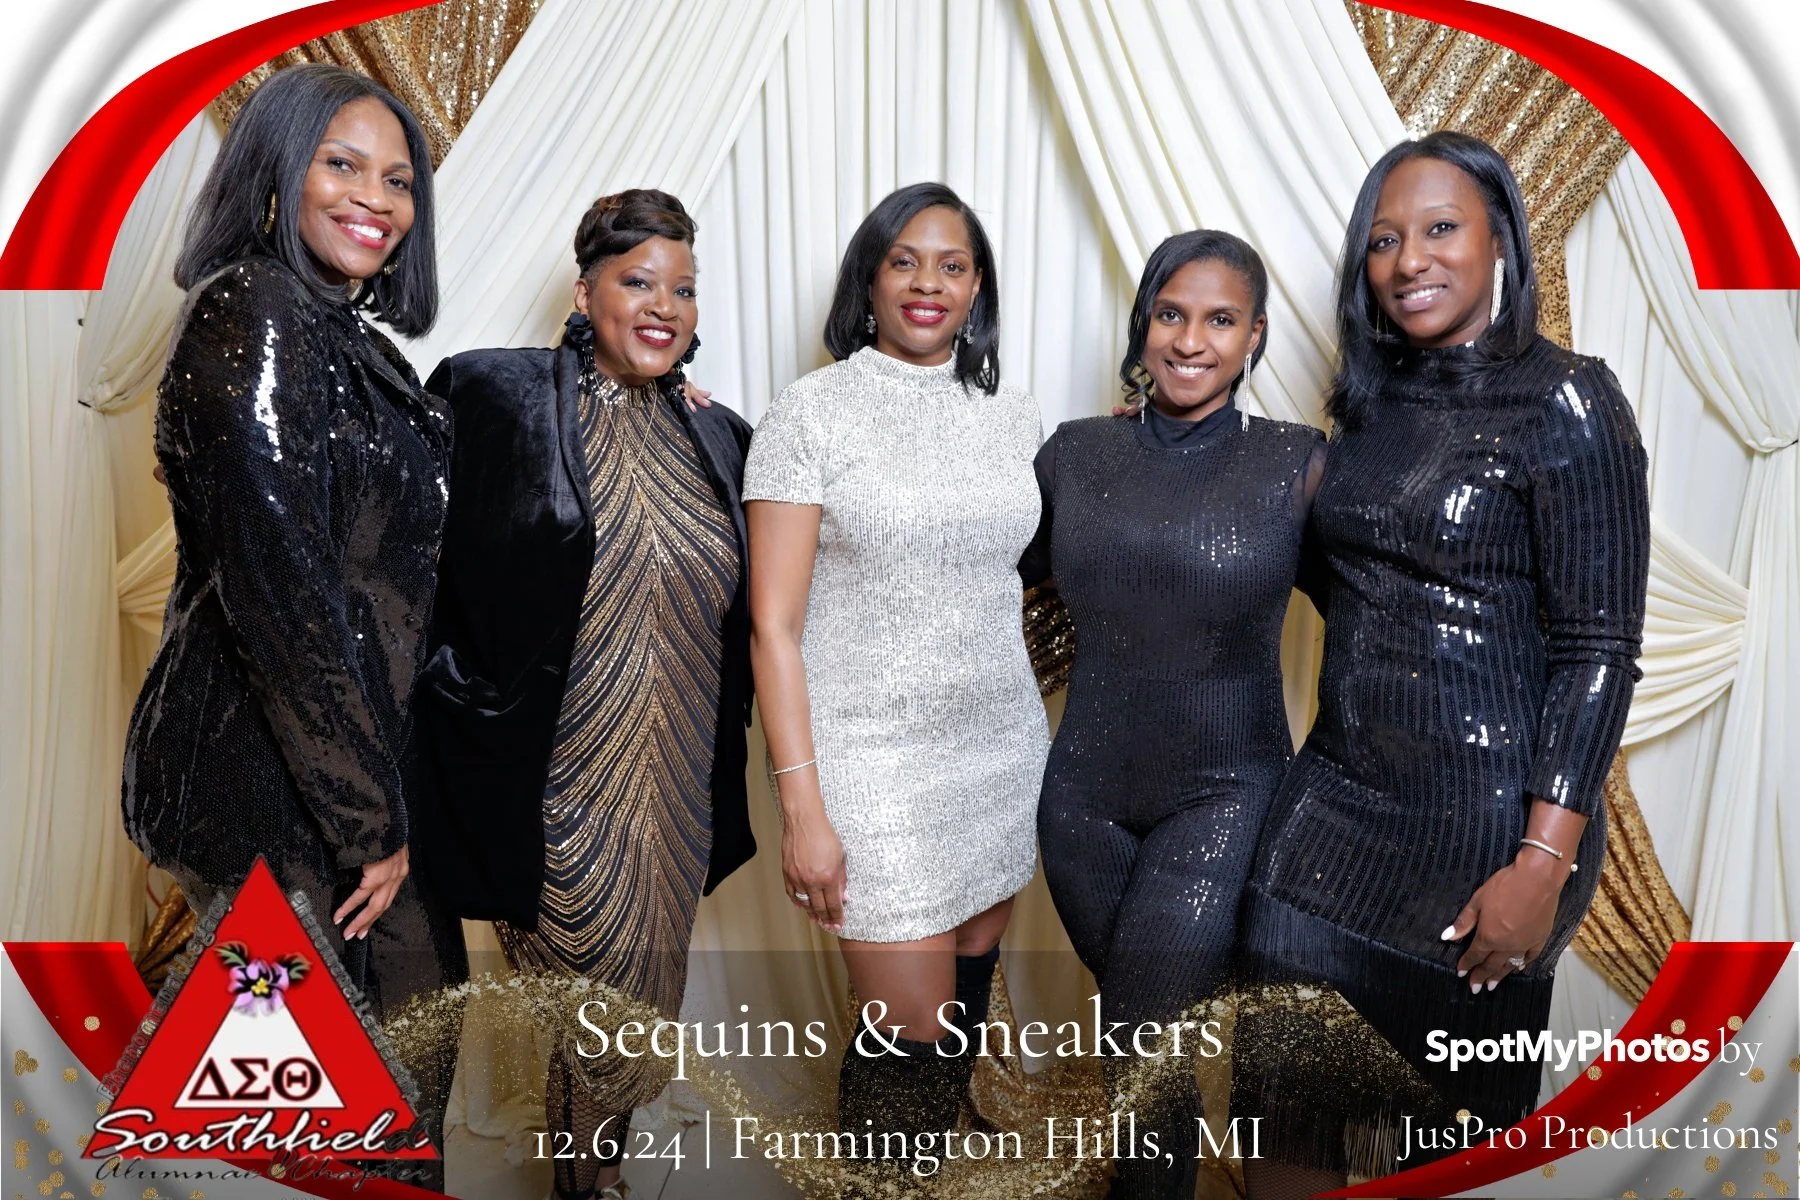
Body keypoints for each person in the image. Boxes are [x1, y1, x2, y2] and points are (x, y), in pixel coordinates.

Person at [1233, 131, 1650, 1196]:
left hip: (1488, 842)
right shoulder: (1366, 408)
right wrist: (1157, 457)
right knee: (1280, 1149)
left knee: (1447, 1161)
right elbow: (1350, 588)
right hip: (1328, 818)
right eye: (1383, 240)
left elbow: (1600, 650)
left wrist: (1541, 864)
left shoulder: (1570, 398)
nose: (1408, 259)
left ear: (1500, 238)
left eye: (1439, 229)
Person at [120, 63, 463, 1189]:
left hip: (344, 779)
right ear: (278, 170)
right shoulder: (256, 309)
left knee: (383, 1102)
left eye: (400, 180)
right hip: (277, 789)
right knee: (329, 1135)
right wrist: (369, 820)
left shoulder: (349, 340)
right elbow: (286, 592)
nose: (377, 197)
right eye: (343, 163)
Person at [410, 188, 755, 1200]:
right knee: (600, 1006)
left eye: (682, 289)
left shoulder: (720, 436)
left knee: (641, 1009)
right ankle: (587, 1183)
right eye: (637, 281)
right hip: (556, 779)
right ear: (584, 290)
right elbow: (409, 550)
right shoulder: (496, 396)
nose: (663, 306)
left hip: (676, 781)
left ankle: (585, 1179)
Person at [743, 182, 1048, 1151]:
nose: (928, 283)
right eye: (904, 261)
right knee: (904, 1033)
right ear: (868, 280)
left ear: (977, 288)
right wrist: (804, 810)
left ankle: (919, 1171)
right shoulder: (811, 414)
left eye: (953, 265)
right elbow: (773, 628)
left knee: (961, 994)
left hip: (999, 749)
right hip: (871, 761)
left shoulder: (1011, 414)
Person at [1021, 230, 1324, 1199]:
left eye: (1220, 319)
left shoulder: (1296, 465)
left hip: (1226, 794)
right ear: (1142, 324)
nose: (1191, 340)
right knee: (1142, 1047)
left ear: (1255, 337)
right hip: (1080, 803)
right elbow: (967, 575)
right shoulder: (1073, 453)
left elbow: (1378, 622)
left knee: (1140, 1032)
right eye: (1171, 314)